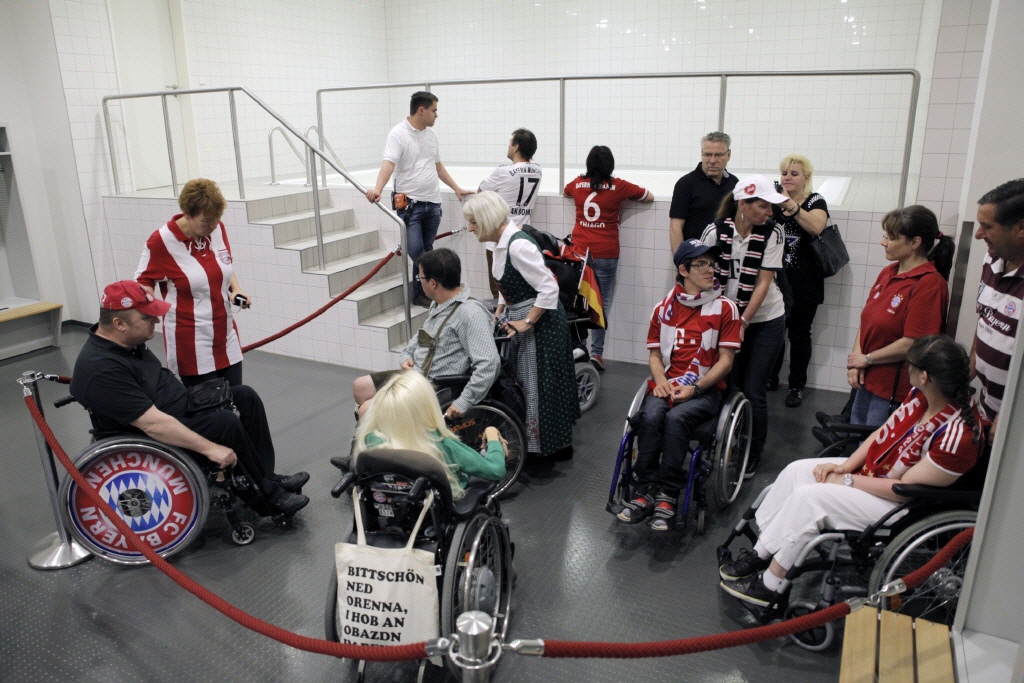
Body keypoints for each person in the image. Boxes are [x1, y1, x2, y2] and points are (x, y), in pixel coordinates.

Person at [719, 335, 983, 607]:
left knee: (810, 498)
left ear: (924, 376)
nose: (907, 370)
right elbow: (883, 433)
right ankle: (761, 553)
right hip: (878, 476)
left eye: (910, 366)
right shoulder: (922, 396)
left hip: (901, 507)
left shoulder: (957, 436)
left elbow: (902, 490)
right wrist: (844, 465)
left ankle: (769, 586)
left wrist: (847, 480)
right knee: (796, 471)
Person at [70, 281, 310, 516]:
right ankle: (268, 499)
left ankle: (266, 478)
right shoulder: (101, 368)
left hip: (179, 408)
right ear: (119, 323)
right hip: (151, 432)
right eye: (147, 318)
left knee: (244, 396)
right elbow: (152, 424)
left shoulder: (126, 343)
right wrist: (211, 448)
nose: (156, 320)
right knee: (225, 423)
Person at [616, 239, 741, 530]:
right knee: (650, 415)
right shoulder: (663, 309)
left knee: (676, 418)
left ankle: (668, 493)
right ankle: (645, 489)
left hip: (705, 389)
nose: (711, 270)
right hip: (668, 383)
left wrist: (696, 389)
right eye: (702, 264)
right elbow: (655, 355)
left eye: (712, 264)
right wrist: (660, 381)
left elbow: (726, 361)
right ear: (683, 270)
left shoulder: (725, 308)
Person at [464, 191, 579, 458]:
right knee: (525, 383)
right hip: (521, 315)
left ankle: (547, 449)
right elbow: (510, 281)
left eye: (473, 222)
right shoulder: (500, 244)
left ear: (487, 219)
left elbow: (549, 288)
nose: (469, 228)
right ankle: (535, 444)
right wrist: (501, 309)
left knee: (538, 385)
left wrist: (526, 322)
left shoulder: (519, 245)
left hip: (541, 321)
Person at [701, 176, 788, 478]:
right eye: (763, 206)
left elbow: (764, 283)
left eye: (771, 206)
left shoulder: (774, 233)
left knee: (754, 389)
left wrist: (744, 321)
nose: (769, 213)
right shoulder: (714, 232)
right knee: (728, 384)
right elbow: (704, 279)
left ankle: (753, 451)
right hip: (727, 319)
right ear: (743, 204)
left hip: (765, 320)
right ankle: (725, 441)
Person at [351, 248, 500, 420]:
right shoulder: (439, 303)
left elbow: (489, 364)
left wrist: (463, 401)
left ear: (433, 283)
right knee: (360, 386)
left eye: (420, 278)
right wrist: (406, 354)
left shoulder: (470, 314)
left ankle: (384, 441)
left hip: (436, 387)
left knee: (366, 410)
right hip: (418, 375)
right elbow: (423, 336)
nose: (419, 282)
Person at [846, 206, 955, 427]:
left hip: (893, 390)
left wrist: (866, 359)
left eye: (891, 237)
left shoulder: (929, 284)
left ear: (915, 243)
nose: (883, 242)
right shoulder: (889, 272)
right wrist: (856, 359)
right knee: (857, 441)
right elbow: (867, 319)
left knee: (876, 451)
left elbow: (914, 343)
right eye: (885, 235)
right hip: (866, 379)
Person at [136, 178, 248, 387]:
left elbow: (224, 263)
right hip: (191, 341)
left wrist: (236, 289)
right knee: (210, 412)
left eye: (216, 219)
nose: (213, 225)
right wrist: (149, 313)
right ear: (187, 214)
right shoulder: (162, 241)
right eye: (206, 221)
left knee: (237, 399)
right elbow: (143, 280)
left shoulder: (216, 229)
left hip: (225, 334)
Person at [366, 91, 471, 307]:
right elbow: (389, 163)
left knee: (426, 248)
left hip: (433, 203)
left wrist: (456, 188)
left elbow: (438, 166)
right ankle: (437, 283)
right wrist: (378, 188)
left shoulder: (431, 136)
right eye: (434, 111)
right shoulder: (398, 134)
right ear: (421, 110)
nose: (436, 116)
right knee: (417, 251)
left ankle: (419, 293)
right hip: (410, 205)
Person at [563, 145, 654, 371]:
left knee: (579, 304)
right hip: (606, 253)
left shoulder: (576, 184)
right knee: (599, 306)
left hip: (579, 253)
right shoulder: (619, 187)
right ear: (610, 165)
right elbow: (648, 196)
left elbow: (565, 191)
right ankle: (598, 354)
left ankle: (580, 349)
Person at [355, 371, 508, 500]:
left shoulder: (371, 440)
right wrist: (492, 434)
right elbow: (495, 470)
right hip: (436, 508)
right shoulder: (440, 442)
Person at [766, 155, 831, 408]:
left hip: (806, 282)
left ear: (806, 178)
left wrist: (790, 205)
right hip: (776, 282)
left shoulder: (815, 201)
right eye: (784, 173)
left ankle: (796, 386)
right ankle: (771, 378)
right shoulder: (773, 200)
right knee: (774, 332)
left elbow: (816, 226)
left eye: (794, 173)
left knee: (800, 335)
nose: (788, 177)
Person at [972, 178, 1024, 434]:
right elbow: (984, 322)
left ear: (1021, 228)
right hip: (985, 407)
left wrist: (1009, 415)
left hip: (1012, 424)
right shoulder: (992, 260)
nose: (978, 234)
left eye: (987, 226)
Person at [478, 129, 543, 298]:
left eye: (509, 143)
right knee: (521, 289)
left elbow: (481, 192)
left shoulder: (503, 172)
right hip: (522, 236)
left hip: (499, 240)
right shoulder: (538, 171)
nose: (508, 147)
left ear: (516, 147)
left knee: (499, 292)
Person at [670, 131, 739, 251]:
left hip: (726, 257)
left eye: (718, 155)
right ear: (701, 154)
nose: (712, 160)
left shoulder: (734, 183)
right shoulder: (686, 184)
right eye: (707, 155)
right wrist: (680, 263)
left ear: (728, 155)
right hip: (696, 260)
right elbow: (675, 227)